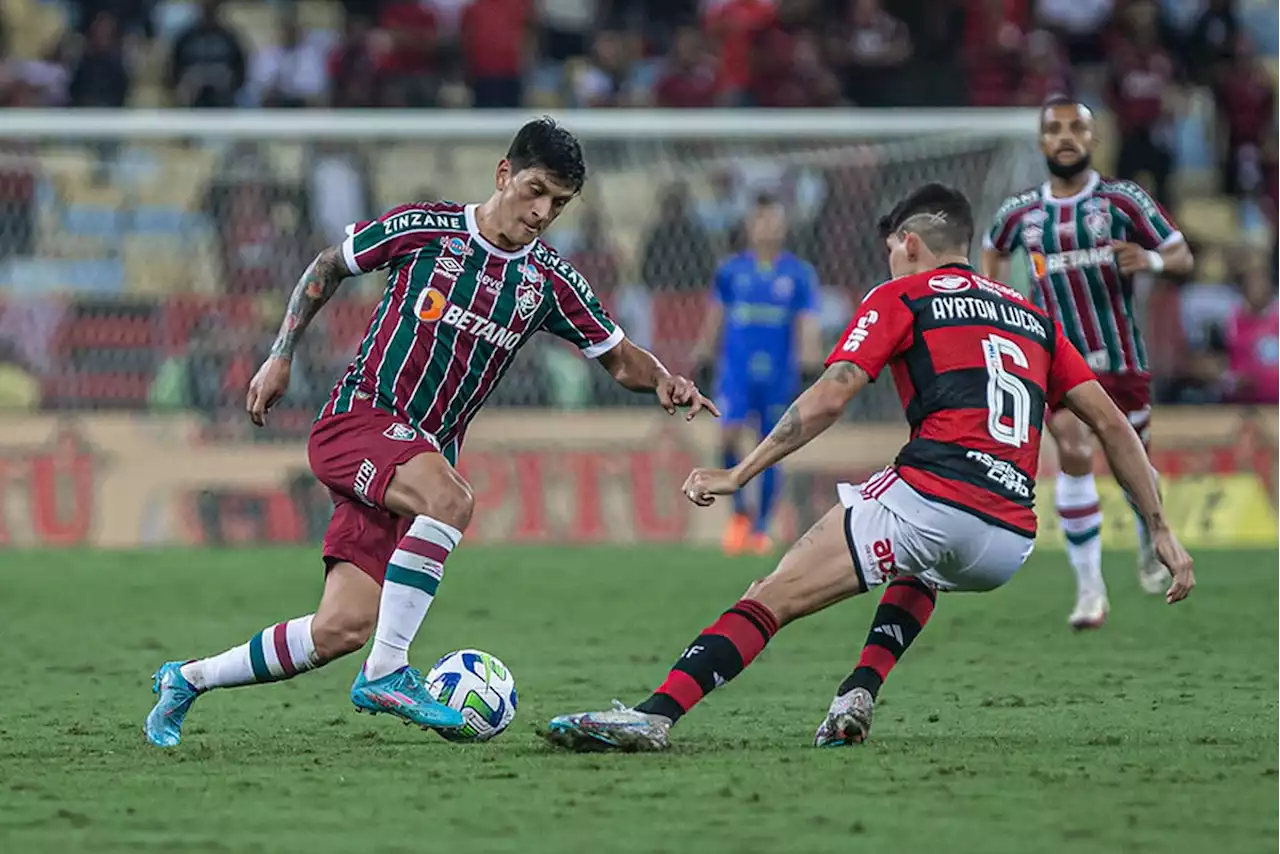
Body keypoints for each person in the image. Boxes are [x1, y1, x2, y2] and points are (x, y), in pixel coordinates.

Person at [543, 183, 1194, 753]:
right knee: (924, 561)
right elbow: (1111, 423)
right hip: (1010, 537)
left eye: (891, 247)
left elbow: (831, 396)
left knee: (769, 597)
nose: (889, 258)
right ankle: (857, 692)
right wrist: (1160, 527)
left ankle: (655, 716)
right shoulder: (1033, 318)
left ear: (909, 243)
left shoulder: (902, 296)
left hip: (936, 497)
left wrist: (741, 473)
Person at [144, 117, 717, 748]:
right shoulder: (427, 228)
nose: (542, 211)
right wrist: (281, 354)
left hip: (415, 459)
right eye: (535, 190)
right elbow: (328, 265)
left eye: (559, 202)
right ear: (504, 174)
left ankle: (186, 679)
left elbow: (615, 353)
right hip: (358, 419)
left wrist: (663, 378)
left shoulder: (549, 280)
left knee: (341, 626)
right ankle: (389, 672)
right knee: (453, 500)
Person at [982, 97, 1194, 630]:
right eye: (1054, 129)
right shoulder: (1020, 212)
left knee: (1135, 468)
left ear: (1094, 138)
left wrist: (1146, 259)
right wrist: (1003, 304)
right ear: (1041, 142)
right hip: (1056, 364)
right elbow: (989, 252)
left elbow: (1181, 254)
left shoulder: (1123, 201)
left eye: (1076, 127)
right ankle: (1090, 590)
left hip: (1122, 361)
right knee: (1073, 451)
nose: (1065, 136)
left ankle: (1152, 536)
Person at [691, 193, 822, 555]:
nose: (768, 227)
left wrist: (811, 364)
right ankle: (740, 515)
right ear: (750, 227)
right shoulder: (731, 271)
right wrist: (703, 352)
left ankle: (761, 528)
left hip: (779, 373)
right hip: (736, 371)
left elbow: (806, 324)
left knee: (771, 447)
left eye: (774, 220)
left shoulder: (798, 274)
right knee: (727, 438)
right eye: (761, 220)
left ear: (784, 227)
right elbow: (716, 317)